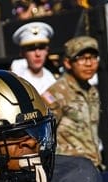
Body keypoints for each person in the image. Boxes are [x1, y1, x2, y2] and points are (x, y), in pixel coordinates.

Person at [42, 36, 103, 169]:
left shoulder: (92, 91)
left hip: (93, 166)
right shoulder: (56, 93)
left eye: (93, 57)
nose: (89, 63)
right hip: (69, 170)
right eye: (81, 58)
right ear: (68, 63)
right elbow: (43, 135)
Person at [9, 21, 56, 94]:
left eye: (41, 48)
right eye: (31, 49)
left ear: (47, 51)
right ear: (22, 53)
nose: (37, 54)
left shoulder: (52, 80)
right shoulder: (15, 78)